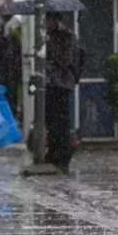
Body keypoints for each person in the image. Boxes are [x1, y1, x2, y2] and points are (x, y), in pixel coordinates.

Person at [45, 11, 81, 174]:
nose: (47, 23)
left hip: (61, 84)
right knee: (51, 121)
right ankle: (53, 153)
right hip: (50, 84)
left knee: (60, 121)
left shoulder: (67, 36)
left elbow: (65, 60)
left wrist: (49, 47)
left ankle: (62, 155)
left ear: (56, 21)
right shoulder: (49, 35)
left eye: (49, 20)